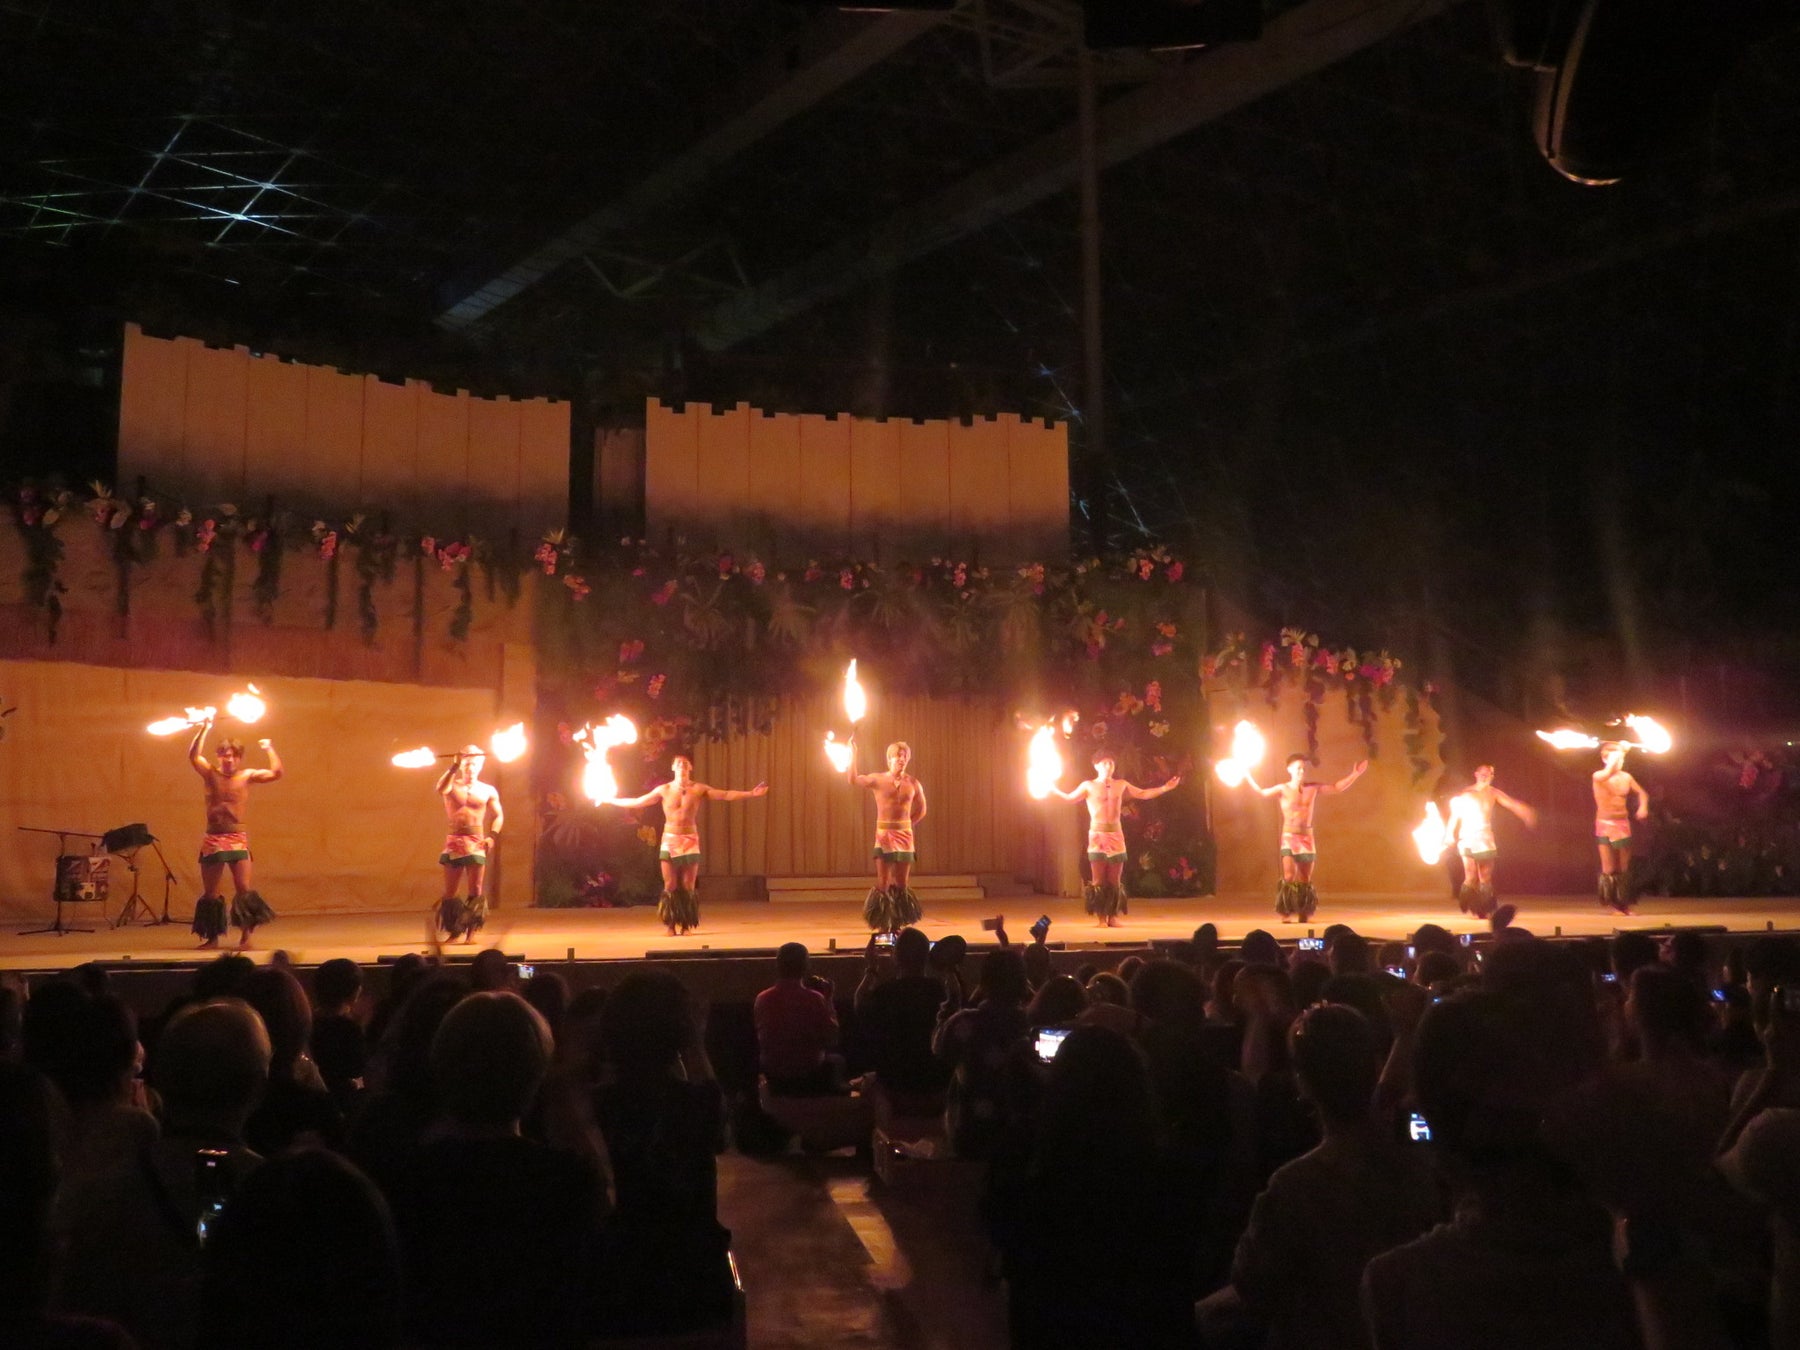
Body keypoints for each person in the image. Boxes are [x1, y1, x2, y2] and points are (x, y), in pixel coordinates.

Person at [602, 754, 768, 936]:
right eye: (678, 763)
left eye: (685, 763)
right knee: (670, 884)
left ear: (690, 768)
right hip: (670, 838)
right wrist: (611, 800)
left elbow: (726, 794)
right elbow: (637, 801)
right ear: (673, 768)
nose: (681, 765)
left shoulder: (698, 789)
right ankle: (671, 925)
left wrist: (751, 793)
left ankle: (686, 925)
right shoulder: (663, 789)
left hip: (690, 839)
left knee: (688, 884)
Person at [1047, 754, 1181, 927]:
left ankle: (1113, 916)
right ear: (1096, 766)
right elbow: (1069, 798)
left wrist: (1165, 788)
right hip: (1097, 835)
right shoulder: (1088, 785)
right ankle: (1101, 918)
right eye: (1104, 763)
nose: (1108, 766)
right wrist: (1053, 790)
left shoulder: (1121, 784)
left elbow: (1143, 794)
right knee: (1098, 880)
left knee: (1115, 880)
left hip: (1116, 835)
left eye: (1111, 763)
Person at [187, 715, 282, 948]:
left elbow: (276, 773)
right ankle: (213, 937)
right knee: (211, 892)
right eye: (224, 755)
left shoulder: (246, 775)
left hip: (237, 838)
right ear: (219, 756)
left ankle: (246, 936)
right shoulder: (210, 773)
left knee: (244, 890)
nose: (229, 759)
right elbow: (193, 756)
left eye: (233, 755)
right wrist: (204, 728)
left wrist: (269, 748)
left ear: (239, 758)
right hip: (214, 837)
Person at [1246, 753, 1368, 922]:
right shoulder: (1283, 789)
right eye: (1298, 768)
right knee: (1289, 876)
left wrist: (1355, 774)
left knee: (1305, 878)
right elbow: (1261, 793)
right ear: (1289, 769)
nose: (1301, 771)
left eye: (1303, 769)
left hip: (1306, 838)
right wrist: (1247, 774)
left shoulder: (1313, 788)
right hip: (1289, 835)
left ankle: (1303, 910)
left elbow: (1337, 787)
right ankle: (1286, 911)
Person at [844, 738, 928, 933]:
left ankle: (897, 923)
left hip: (905, 836)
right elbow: (853, 779)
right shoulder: (878, 779)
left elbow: (922, 809)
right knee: (883, 882)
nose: (902, 759)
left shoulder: (913, 783)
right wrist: (853, 754)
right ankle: (883, 923)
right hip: (884, 836)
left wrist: (908, 825)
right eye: (899, 755)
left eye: (905, 756)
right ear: (889, 758)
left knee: (902, 883)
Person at [1445, 764, 1536, 925]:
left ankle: (1484, 908)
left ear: (1492, 776)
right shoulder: (1466, 793)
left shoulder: (1493, 793)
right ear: (1476, 774)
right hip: (1467, 837)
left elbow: (1511, 803)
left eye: (1488, 774)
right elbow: (1455, 815)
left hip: (1484, 838)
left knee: (1485, 877)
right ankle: (1470, 904)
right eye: (1482, 773)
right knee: (1470, 876)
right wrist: (1449, 833)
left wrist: (1525, 812)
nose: (1484, 776)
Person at [753, 942, 844, 1096]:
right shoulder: (815, 999)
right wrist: (828, 1000)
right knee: (837, 1061)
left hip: (774, 1075)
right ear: (806, 967)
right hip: (810, 1075)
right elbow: (832, 1037)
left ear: (778, 966)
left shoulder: (762, 999)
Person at [434, 746, 503, 943]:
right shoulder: (451, 785)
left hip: (476, 841)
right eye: (467, 764)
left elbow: (498, 815)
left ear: (480, 766)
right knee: (450, 892)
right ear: (462, 766)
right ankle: (454, 930)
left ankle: (471, 932)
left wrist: (492, 836)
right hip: (454, 841)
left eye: (474, 764)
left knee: (476, 889)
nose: (470, 768)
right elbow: (440, 788)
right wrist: (454, 765)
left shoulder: (488, 790)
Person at [1593, 741, 1649, 915]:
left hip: (1622, 824)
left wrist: (1643, 807)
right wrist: (1615, 755)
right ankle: (1613, 905)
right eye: (1616, 759)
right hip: (1604, 823)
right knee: (1609, 869)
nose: (1620, 762)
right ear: (1605, 759)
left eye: (1622, 759)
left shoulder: (1627, 777)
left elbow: (1642, 793)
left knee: (1624, 867)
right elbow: (1608, 771)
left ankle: (1624, 905)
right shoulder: (1599, 775)